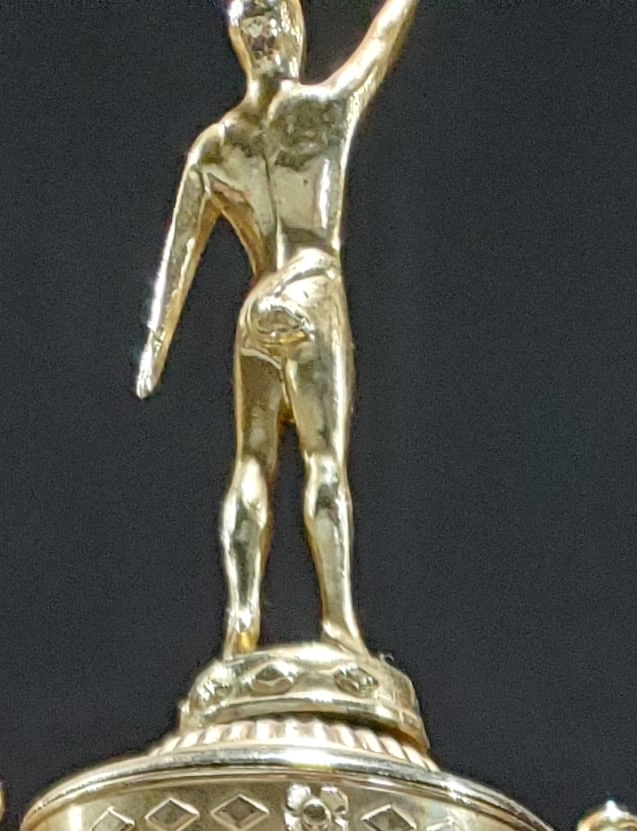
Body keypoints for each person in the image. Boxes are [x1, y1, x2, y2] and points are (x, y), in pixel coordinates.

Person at [136, 0, 425, 661]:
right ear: (291, 32)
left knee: (252, 461)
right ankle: (339, 622)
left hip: (256, 305)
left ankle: (242, 617)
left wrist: (155, 347)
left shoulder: (218, 148)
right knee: (323, 463)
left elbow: (178, 258)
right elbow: (383, 37)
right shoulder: (325, 110)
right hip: (312, 290)